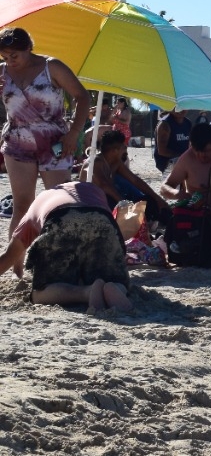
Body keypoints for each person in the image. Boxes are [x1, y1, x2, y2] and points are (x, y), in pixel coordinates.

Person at [0, 27, 92, 237]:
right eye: (4, 56)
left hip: (55, 142)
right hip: (17, 142)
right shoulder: (2, 71)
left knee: (59, 203)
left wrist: (75, 132)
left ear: (29, 48)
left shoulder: (52, 67)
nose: (9, 61)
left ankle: (61, 257)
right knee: (22, 206)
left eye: (14, 55)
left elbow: (82, 97)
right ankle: (16, 263)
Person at [0, 180, 133, 313]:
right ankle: (115, 286)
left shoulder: (40, 201)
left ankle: (86, 292)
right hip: (101, 218)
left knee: (40, 292)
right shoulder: (93, 190)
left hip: (60, 218)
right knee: (115, 277)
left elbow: (10, 255)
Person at [89, 130, 170, 227]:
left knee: (149, 200)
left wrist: (158, 199)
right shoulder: (96, 162)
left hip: (110, 200)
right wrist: (123, 203)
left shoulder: (116, 163)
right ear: (115, 151)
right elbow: (104, 185)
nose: (125, 148)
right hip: (95, 204)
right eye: (123, 146)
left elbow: (135, 180)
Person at [160, 122, 211, 202]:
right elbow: (164, 187)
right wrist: (178, 194)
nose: (201, 155)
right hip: (201, 210)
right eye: (196, 151)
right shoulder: (187, 159)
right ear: (191, 146)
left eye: (207, 151)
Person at [153, 109, 192, 173]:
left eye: (183, 106)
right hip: (167, 163)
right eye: (176, 106)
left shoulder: (188, 123)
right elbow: (162, 151)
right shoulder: (165, 124)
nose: (180, 109)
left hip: (183, 161)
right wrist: (182, 157)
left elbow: (190, 145)